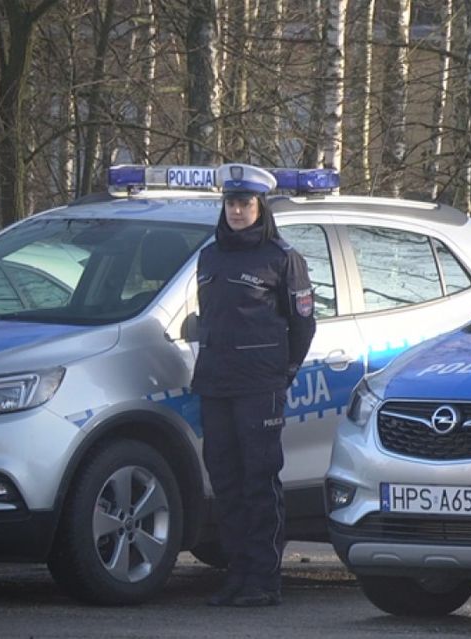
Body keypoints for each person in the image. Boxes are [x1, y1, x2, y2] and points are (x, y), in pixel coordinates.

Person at [191, 163, 316, 607]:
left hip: (259, 386)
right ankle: (236, 575)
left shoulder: (282, 258)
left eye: (245, 203)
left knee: (258, 483)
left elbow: (302, 326)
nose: (237, 210)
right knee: (225, 482)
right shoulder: (209, 256)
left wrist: (283, 373)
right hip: (215, 385)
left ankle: (264, 580)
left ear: (260, 206)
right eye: (231, 202)